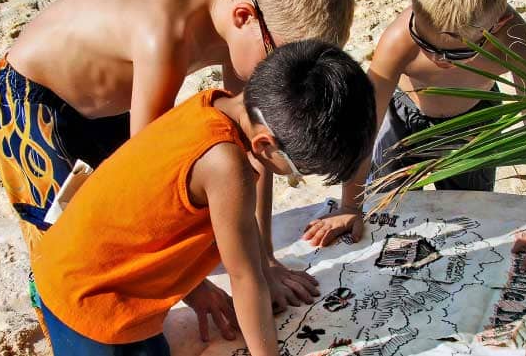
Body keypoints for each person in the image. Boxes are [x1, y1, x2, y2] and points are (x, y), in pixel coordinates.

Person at [0, 0, 354, 339]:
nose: (285, 79)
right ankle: (62, 333)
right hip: (32, 103)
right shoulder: (165, 35)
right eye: (282, 58)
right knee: (65, 236)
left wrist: (266, 262)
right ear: (245, 17)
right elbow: (146, 184)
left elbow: (256, 147)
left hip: (107, 103)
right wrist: (194, 289)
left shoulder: (243, 25)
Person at [31, 40, 376, 355]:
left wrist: (195, 287)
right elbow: (245, 279)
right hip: (87, 299)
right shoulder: (226, 167)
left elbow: (149, 216)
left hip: (85, 265)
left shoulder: (213, 105)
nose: (294, 174)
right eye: (297, 169)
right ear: (265, 145)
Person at [304, 0, 526, 277]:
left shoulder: (516, 41)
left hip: (472, 124)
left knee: (470, 218)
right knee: (388, 217)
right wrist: (350, 206)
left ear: (499, 22)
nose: (439, 59)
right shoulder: (399, 39)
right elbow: (366, 124)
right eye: (426, 44)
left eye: (459, 54)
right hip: (404, 122)